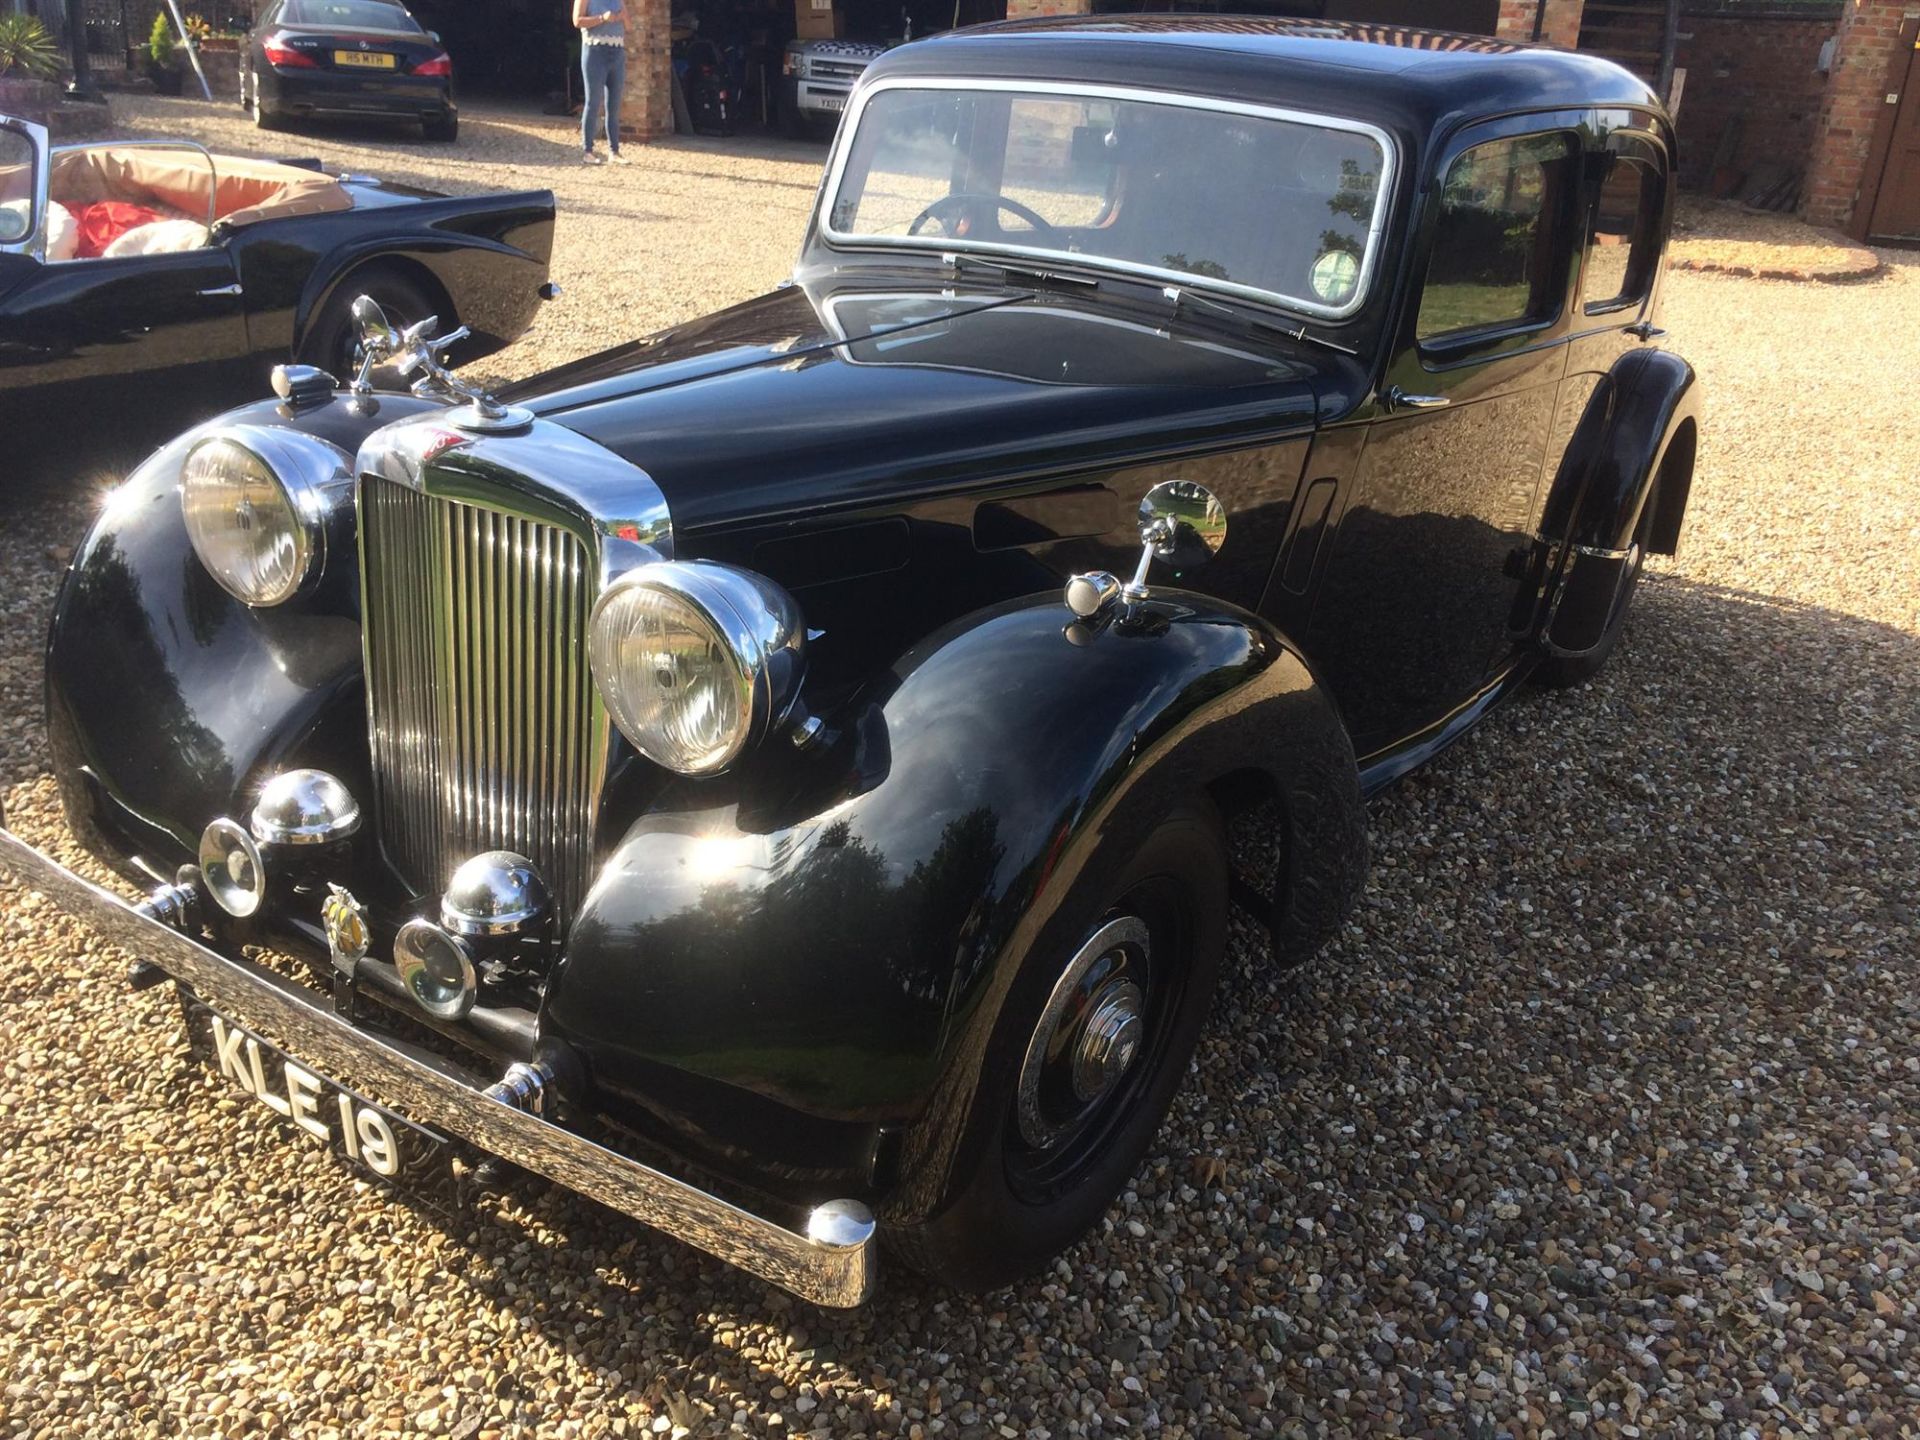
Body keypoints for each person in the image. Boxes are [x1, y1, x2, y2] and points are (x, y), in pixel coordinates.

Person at [574, 0, 629, 165]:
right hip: (594, 50)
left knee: (614, 104)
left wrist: (622, 16)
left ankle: (614, 150)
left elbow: (629, 25)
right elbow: (577, 21)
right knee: (593, 102)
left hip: (617, 52)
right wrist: (602, 18)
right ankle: (588, 150)